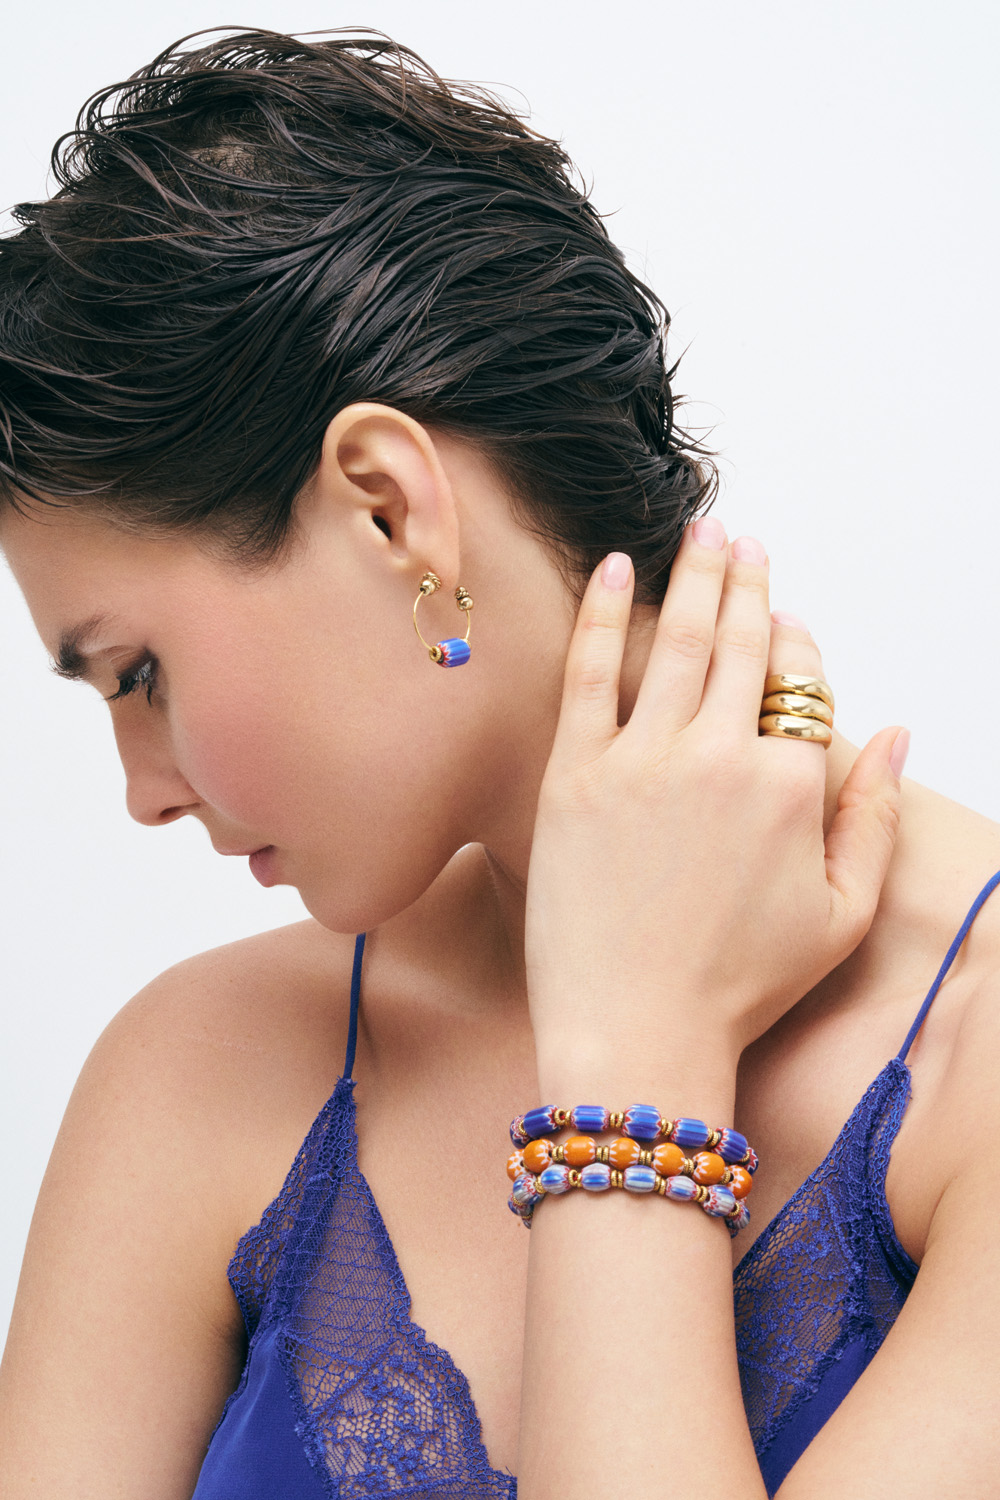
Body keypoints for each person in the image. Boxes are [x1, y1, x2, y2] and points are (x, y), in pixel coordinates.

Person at [0, 27, 998, 1499]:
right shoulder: (196, 1074)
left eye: (138, 673)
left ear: (389, 511)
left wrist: (639, 1054)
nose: (142, 791)